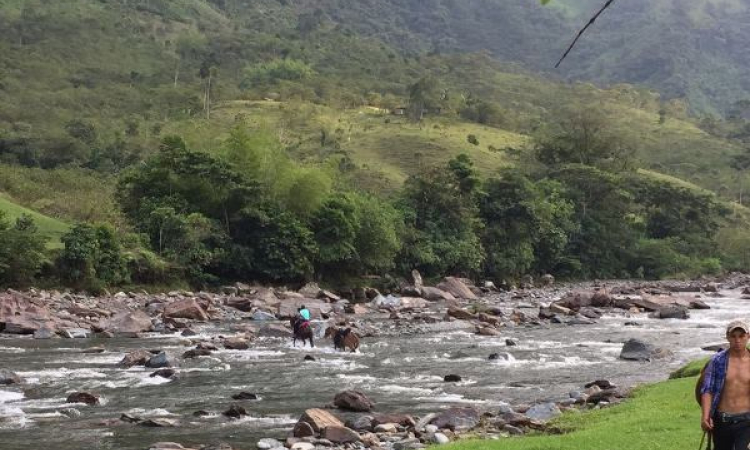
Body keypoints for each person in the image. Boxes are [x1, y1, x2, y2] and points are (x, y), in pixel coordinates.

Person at [700, 320, 750, 450]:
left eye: (741, 336)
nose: (737, 340)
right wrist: (705, 416)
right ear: (727, 337)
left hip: (746, 422)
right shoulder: (717, 361)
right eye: (733, 336)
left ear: (748, 336)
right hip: (722, 420)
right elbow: (707, 389)